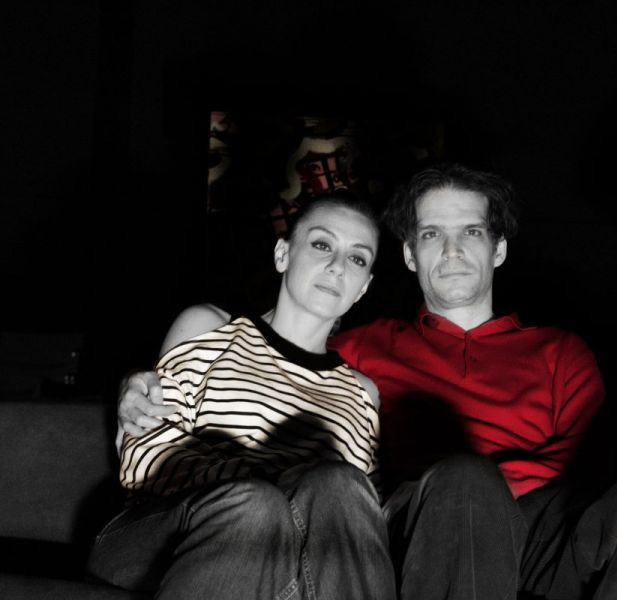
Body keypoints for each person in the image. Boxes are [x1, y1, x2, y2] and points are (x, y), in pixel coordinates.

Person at [117, 162, 617, 600]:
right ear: (410, 256)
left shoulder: (560, 351)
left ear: (498, 249)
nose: (451, 250)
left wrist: (508, 495)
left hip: (542, 530)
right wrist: (141, 380)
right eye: (432, 234)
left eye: (471, 232)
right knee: (463, 481)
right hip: (426, 524)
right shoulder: (363, 348)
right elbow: (280, 351)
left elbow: (589, 462)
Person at [88, 194, 396, 600]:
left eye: (357, 258)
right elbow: (147, 460)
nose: (337, 266)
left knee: (340, 484)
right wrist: (280, 492)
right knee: (257, 507)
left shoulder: (360, 392)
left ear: (364, 287)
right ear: (283, 255)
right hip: (160, 538)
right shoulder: (209, 328)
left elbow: (355, 523)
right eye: (322, 244)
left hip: (291, 564)